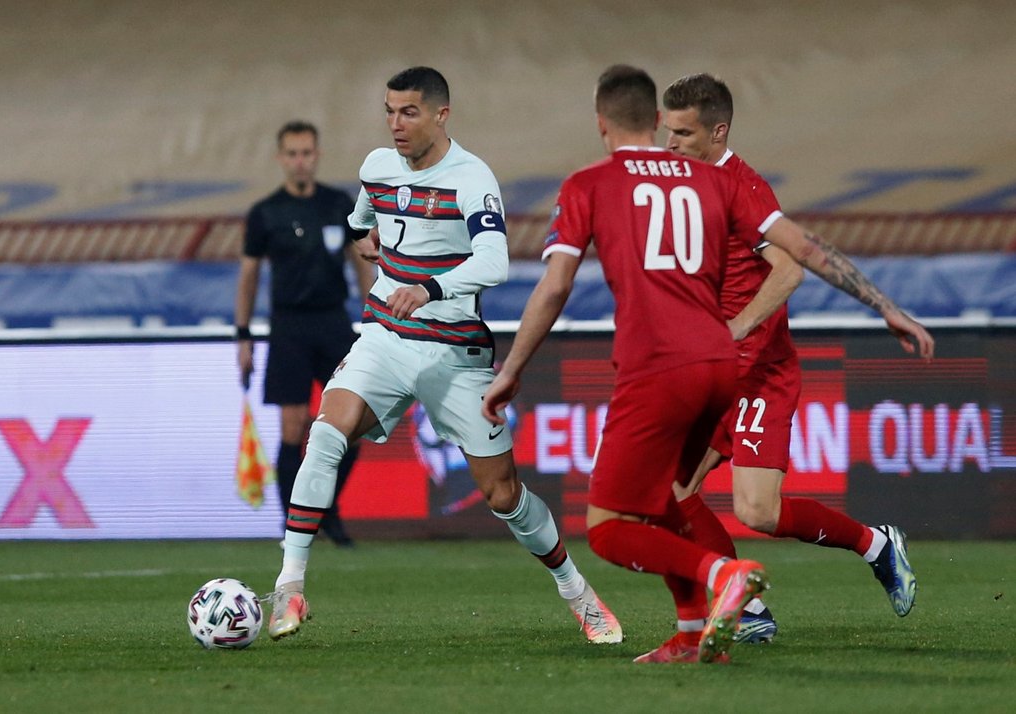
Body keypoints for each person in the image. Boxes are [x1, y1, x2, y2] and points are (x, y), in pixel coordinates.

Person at [265, 66, 623, 647]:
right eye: (389, 111)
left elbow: (495, 261)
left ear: (440, 115)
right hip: (383, 336)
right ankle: (291, 583)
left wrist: (429, 288)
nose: (396, 124)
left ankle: (576, 592)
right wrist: (365, 241)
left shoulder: (471, 177)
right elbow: (359, 223)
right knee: (325, 433)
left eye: (408, 112)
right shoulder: (377, 167)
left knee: (503, 494)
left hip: (453, 350)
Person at [484, 65, 784, 665]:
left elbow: (555, 285)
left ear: (600, 123)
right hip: (721, 361)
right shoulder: (710, 180)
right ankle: (693, 632)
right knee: (666, 498)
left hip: (658, 367)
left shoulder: (591, 183)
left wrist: (512, 366)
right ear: (655, 121)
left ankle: (723, 574)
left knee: (609, 529)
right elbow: (790, 255)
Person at [660, 74, 935, 644]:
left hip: (758, 373)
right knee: (671, 491)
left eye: (683, 133)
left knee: (758, 512)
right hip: (711, 374)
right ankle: (747, 606)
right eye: (668, 131)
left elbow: (790, 269)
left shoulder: (745, 188)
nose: (672, 144)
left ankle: (876, 544)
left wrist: (734, 329)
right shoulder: (681, 186)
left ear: (718, 131)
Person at [235, 120, 375, 547]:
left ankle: (326, 509)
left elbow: (362, 261)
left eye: (307, 153)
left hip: (333, 320)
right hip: (288, 325)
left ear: (317, 156)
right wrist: (243, 335)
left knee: (353, 425)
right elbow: (249, 277)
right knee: (293, 429)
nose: (300, 161)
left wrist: (378, 320)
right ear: (281, 159)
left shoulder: (338, 205)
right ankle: (294, 526)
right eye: (292, 154)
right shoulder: (265, 213)